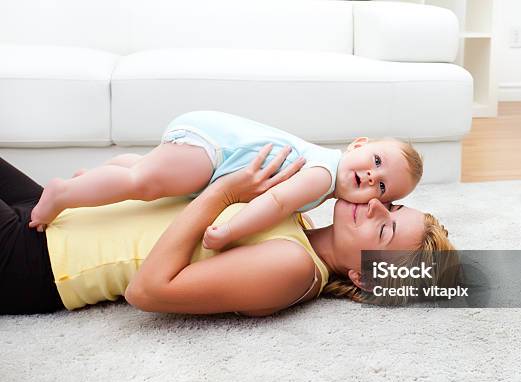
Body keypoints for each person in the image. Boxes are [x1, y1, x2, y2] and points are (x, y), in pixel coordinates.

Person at [0, 148, 454, 316]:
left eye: (386, 227)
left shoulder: (293, 268)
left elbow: (149, 291)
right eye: (390, 204)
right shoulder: (298, 214)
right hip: (49, 212)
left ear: (364, 277)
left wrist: (223, 194)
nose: (373, 203)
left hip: (30, 260)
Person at [28, 111, 423, 253]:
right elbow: (276, 204)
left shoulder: (325, 175)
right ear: (358, 144)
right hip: (213, 148)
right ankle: (64, 193)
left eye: (383, 187)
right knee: (143, 183)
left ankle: (97, 179)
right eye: (375, 161)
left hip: (214, 155)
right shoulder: (322, 175)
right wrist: (228, 232)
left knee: (159, 179)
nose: (372, 178)